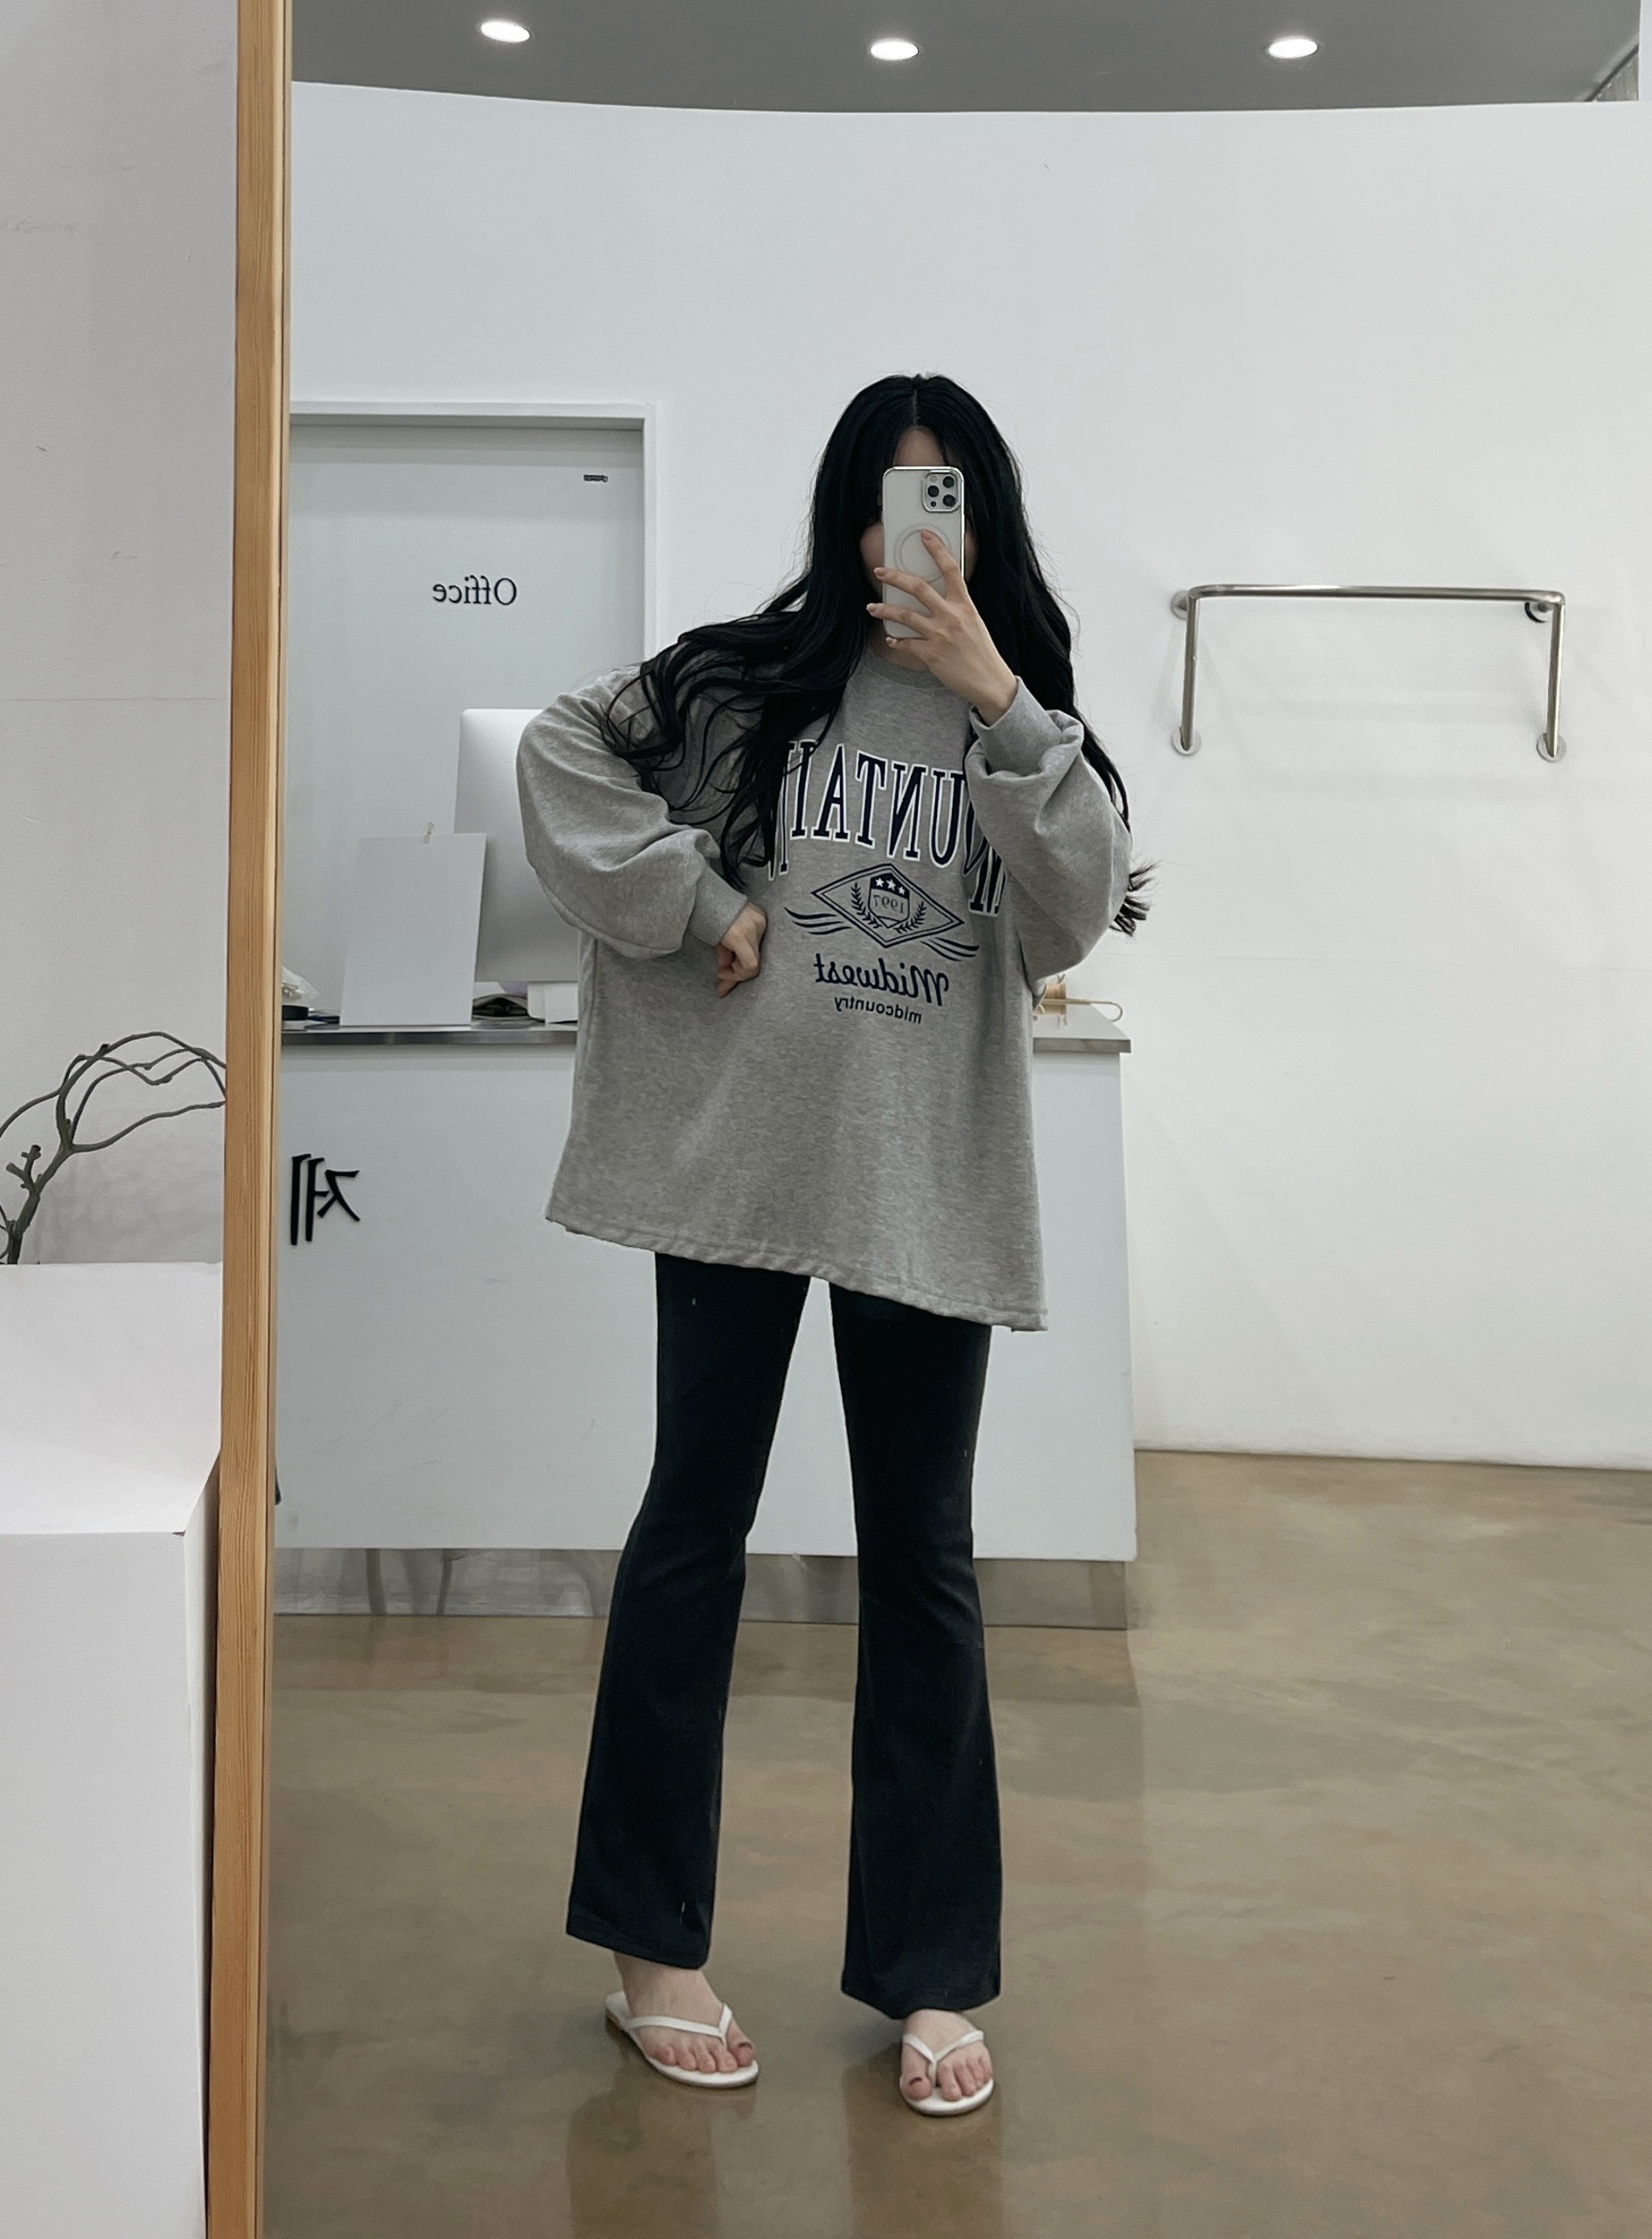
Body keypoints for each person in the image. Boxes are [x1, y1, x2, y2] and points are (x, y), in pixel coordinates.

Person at [517, 373, 1145, 2116]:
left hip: (920, 1177)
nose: (911, 535)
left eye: (945, 500)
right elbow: (560, 752)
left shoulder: (1025, 720)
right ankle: (651, 1949)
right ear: (844, 515)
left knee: (924, 1559)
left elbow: (1076, 913)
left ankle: (932, 1972)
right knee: (692, 1532)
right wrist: (696, 900)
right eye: (888, 498)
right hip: (741, 1166)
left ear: (984, 523)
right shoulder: (740, 684)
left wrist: (998, 696)